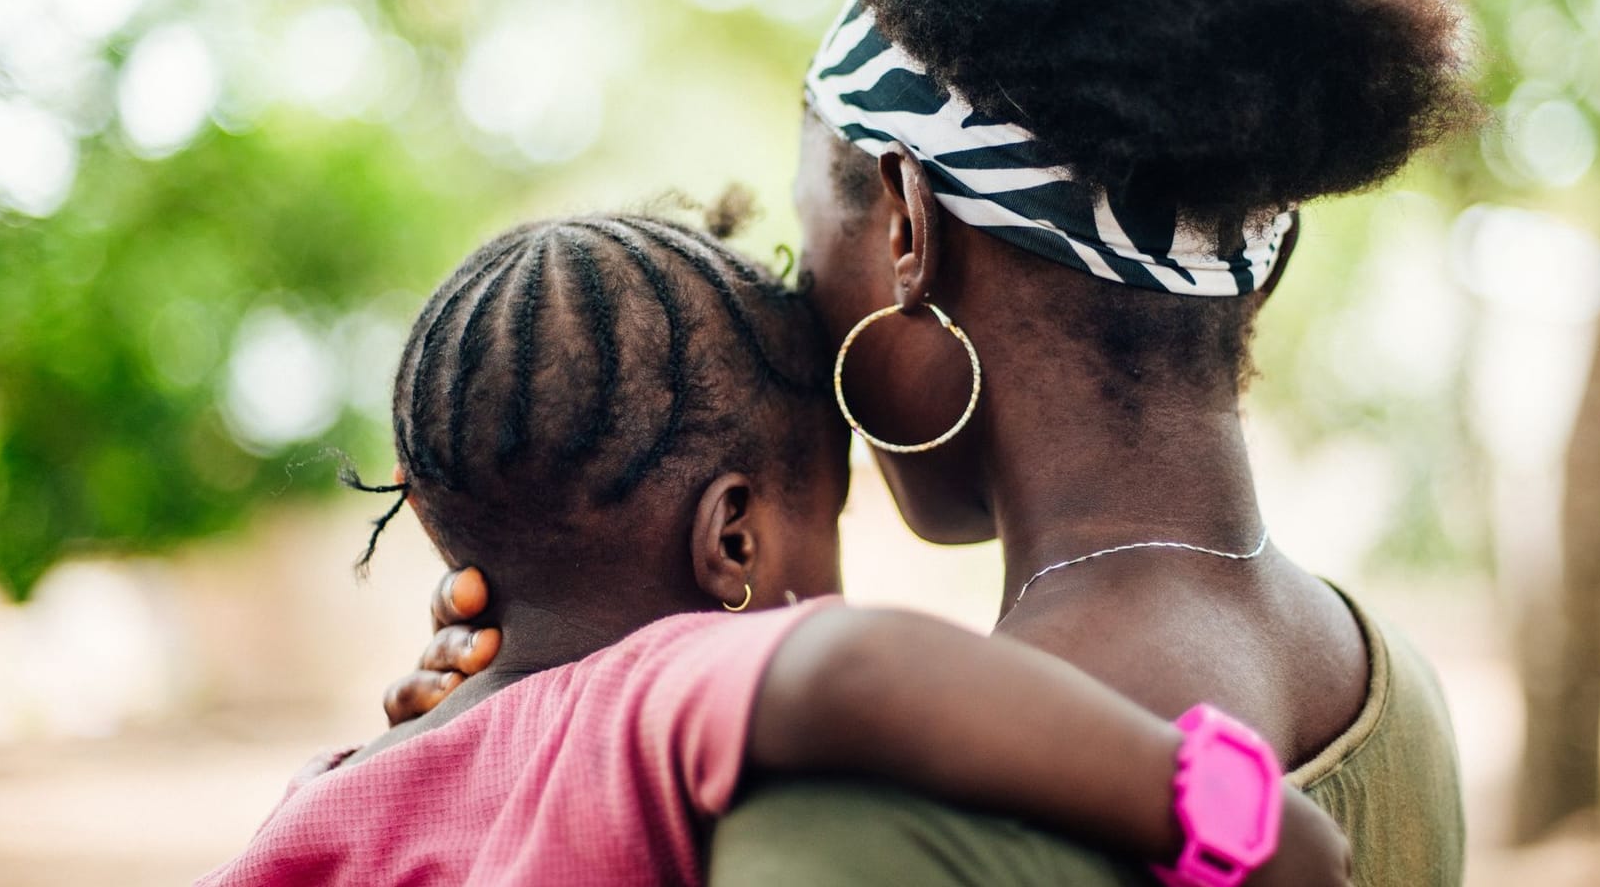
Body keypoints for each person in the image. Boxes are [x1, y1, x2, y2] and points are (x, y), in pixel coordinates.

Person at [386, 0, 1482, 883]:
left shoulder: (850, 827)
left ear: (909, 227)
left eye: (807, 248)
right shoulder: (1399, 691)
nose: (801, 319)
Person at [198, 215, 1350, 887]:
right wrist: (1217, 805)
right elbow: (850, 671)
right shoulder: (649, 690)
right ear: (733, 538)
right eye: (829, 513)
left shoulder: (325, 802)